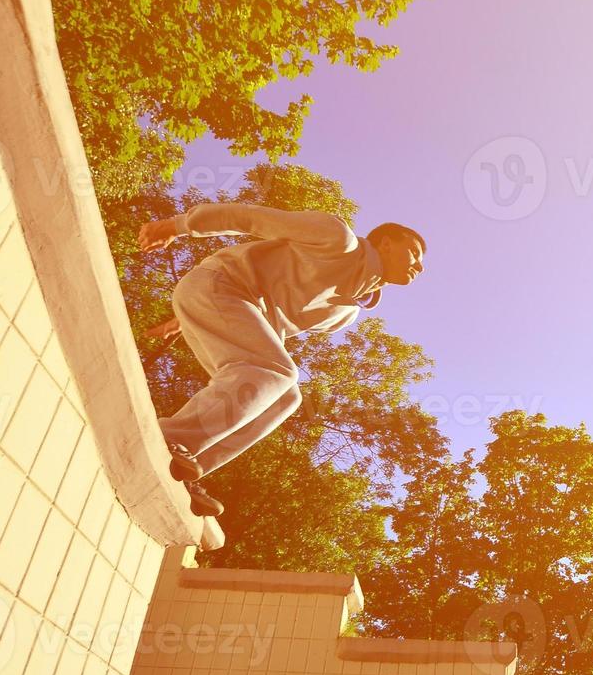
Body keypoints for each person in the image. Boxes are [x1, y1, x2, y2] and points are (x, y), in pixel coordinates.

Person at [138, 203, 426, 517]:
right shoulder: (337, 238)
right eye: (414, 253)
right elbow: (248, 219)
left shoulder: (344, 313)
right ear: (386, 243)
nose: (420, 266)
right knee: (274, 372)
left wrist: (183, 320)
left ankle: (188, 465)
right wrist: (176, 225)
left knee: (285, 396)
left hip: (220, 306)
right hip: (221, 284)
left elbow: (272, 332)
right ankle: (170, 438)